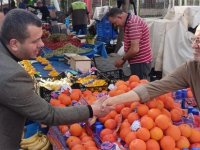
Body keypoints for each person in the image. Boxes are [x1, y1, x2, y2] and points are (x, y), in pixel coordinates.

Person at [0, 9, 112, 149]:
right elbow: (49, 114)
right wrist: (91, 110)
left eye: (41, 38)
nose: (42, 44)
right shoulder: (12, 75)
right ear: (14, 44)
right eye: (35, 41)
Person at [103, 25, 200, 109]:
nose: (193, 45)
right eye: (194, 40)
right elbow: (154, 88)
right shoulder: (191, 68)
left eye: (198, 41)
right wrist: (110, 101)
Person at [107, 8, 152, 80]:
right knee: (136, 84)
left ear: (120, 17)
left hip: (140, 62)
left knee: (140, 86)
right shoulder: (129, 21)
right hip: (137, 61)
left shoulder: (133, 23)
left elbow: (134, 49)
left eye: (115, 23)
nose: (115, 25)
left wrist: (123, 59)